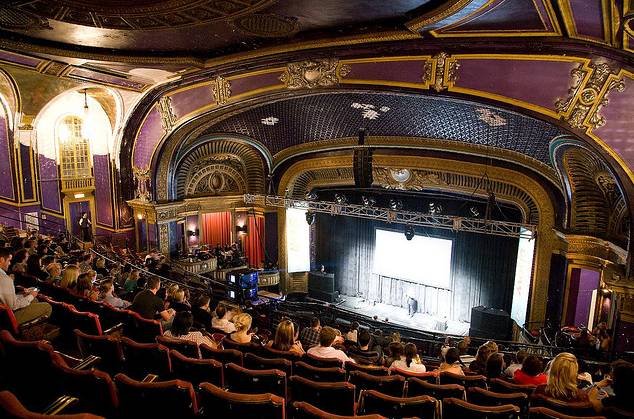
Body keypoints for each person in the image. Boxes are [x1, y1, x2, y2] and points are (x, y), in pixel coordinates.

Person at [0, 248, 52, 324]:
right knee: (47, 306)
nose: (10, 263)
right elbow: (13, 306)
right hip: (7, 319)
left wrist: (24, 295)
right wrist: (31, 295)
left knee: (35, 300)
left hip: (4, 313)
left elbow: (7, 299)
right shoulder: (5, 279)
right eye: (9, 260)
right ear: (1, 260)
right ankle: (28, 331)